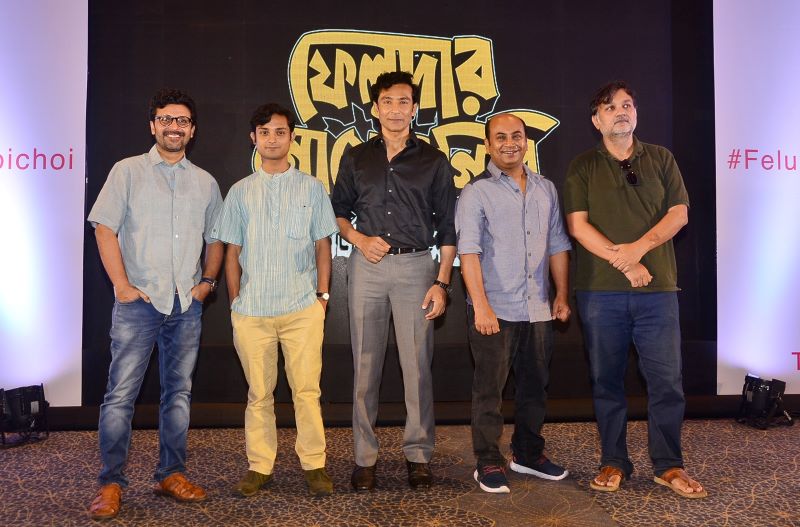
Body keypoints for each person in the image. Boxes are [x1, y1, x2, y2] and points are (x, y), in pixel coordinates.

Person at [563, 81, 706, 498]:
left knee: (666, 382)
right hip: (600, 293)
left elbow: (679, 214)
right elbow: (578, 227)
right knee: (606, 381)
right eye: (610, 107)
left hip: (657, 293)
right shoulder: (582, 166)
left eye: (626, 105)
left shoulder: (661, 158)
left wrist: (639, 250)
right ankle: (614, 460)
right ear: (596, 120)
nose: (620, 112)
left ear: (636, 113)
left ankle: (669, 465)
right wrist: (626, 263)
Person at [86, 88, 223, 520]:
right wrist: (122, 286)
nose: (173, 127)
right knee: (120, 396)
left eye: (182, 120)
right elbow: (103, 228)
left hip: (186, 305)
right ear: (153, 126)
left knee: (178, 395)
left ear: (192, 130)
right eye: (166, 119)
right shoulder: (126, 171)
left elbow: (216, 237)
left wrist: (207, 282)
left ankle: (171, 474)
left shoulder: (205, 182)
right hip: (139, 304)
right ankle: (111, 482)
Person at [330, 70, 457, 491]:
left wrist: (442, 282)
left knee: (417, 367)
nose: (396, 109)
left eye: (404, 102)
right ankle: (364, 458)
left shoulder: (433, 161)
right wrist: (359, 239)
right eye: (388, 101)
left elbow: (449, 228)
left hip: (417, 268)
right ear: (375, 108)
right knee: (364, 366)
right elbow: (338, 212)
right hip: (366, 267)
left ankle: (418, 455)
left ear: (414, 109)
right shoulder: (356, 157)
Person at [212, 103, 338, 497]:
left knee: (307, 392)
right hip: (252, 312)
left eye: (280, 132)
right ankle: (259, 466)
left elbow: (323, 245)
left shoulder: (312, 188)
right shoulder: (239, 191)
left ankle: (314, 465)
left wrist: (322, 297)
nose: (272, 139)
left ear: (291, 138)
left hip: (302, 309)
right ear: (254, 138)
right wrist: (236, 303)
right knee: (258, 395)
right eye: (264, 132)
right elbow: (231, 251)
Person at [455, 113, 572, 493]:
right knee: (490, 391)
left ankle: (527, 454)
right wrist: (481, 306)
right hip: (495, 310)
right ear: (488, 145)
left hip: (538, 308)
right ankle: (488, 460)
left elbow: (558, 245)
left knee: (535, 388)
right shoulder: (476, 192)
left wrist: (561, 295)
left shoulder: (546, 189)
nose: (510, 143)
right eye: (501, 137)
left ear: (526, 141)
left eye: (517, 136)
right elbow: (468, 253)